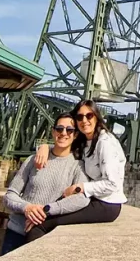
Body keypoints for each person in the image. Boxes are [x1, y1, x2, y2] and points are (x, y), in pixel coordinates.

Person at [28, 99, 126, 241]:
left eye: (89, 116)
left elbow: (113, 184)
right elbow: (62, 146)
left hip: (107, 205)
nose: (84, 120)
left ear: (97, 117)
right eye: (79, 117)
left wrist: (80, 187)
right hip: (94, 199)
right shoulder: (86, 140)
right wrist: (44, 147)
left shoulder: (105, 143)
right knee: (51, 213)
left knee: (42, 224)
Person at [1, 113, 89, 254]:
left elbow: (82, 199)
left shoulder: (78, 166)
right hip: (16, 232)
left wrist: (46, 210)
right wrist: (27, 208)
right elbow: (10, 195)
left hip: (46, 235)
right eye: (59, 129)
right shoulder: (33, 160)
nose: (63, 133)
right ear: (53, 132)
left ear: (76, 135)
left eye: (69, 130)